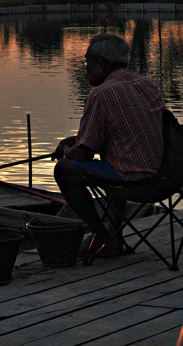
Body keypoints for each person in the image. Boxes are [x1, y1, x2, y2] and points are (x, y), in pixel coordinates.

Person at [54, 32, 164, 257]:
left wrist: (64, 149)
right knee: (115, 158)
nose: (85, 67)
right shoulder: (146, 83)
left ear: (101, 65)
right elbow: (125, 133)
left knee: (64, 169)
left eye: (87, 62)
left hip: (134, 180)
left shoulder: (101, 94)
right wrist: (78, 142)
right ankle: (115, 233)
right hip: (164, 176)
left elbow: (83, 156)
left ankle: (105, 238)